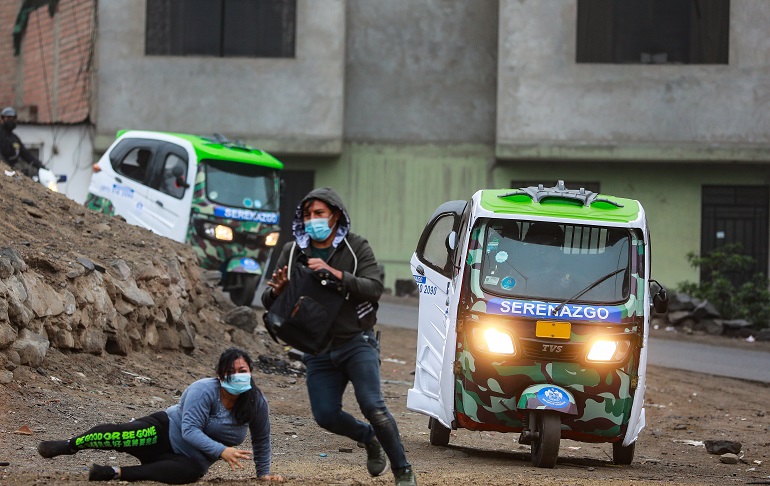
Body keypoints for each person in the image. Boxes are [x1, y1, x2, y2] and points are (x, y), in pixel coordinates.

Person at [261, 187, 417, 486]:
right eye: (307, 215)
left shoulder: (356, 247)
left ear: (335, 216)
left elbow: (374, 287)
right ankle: (368, 438)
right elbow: (271, 300)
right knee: (325, 415)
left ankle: (402, 470)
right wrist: (277, 291)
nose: (312, 220)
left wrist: (334, 273)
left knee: (373, 406)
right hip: (316, 347)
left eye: (319, 213)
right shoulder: (293, 251)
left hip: (356, 341)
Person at [36, 348, 282, 484]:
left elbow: (262, 439)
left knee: (188, 475)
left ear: (250, 372)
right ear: (219, 374)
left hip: (191, 459)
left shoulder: (256, 401)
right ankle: (70, 445)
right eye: (231, 371)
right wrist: (222, 450)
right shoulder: (203, 390)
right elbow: (190, 431)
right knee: (122, 436)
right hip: (163, 432)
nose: (238, 375)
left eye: (243, 371)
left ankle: (113, 472)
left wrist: (263, 473)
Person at [0, 106, 45, 177]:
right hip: (4, 172)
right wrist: (7, 167)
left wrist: (41, 167)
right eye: (8, 118)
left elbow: (26, 154)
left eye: (13, 118)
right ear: (2, 119)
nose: (11, 121)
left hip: (13, 170)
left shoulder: (14, 138)